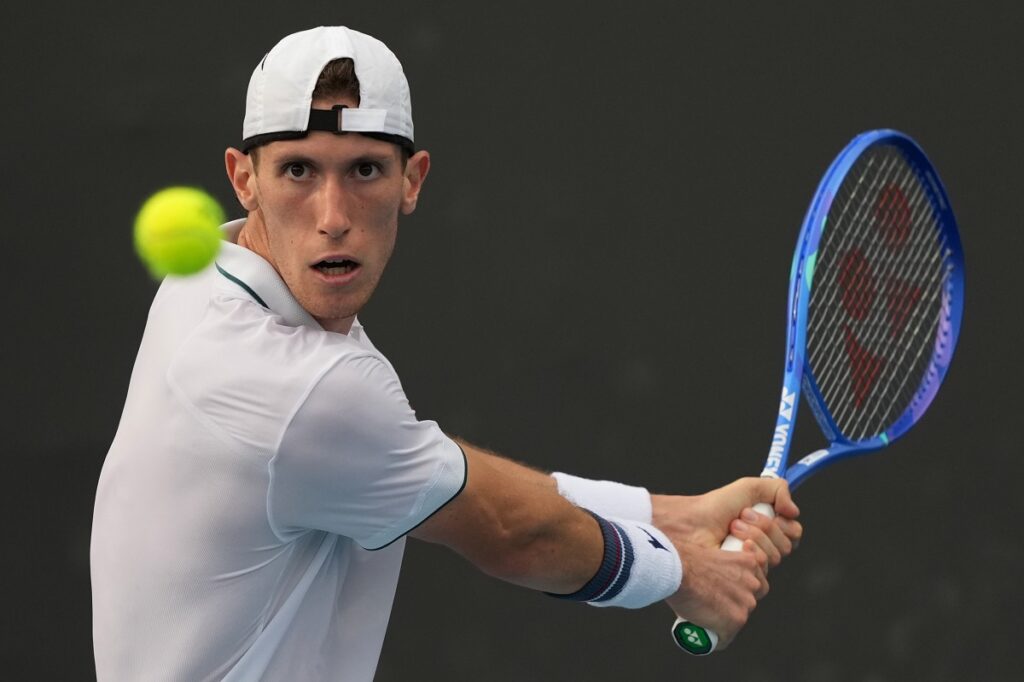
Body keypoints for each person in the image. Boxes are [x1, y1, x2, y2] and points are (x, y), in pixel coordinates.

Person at [90, 26, 802, 681]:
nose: (333, 217)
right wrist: (685, 574)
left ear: (412, 180)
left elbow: (452, 475)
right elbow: (512, 532)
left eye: (364, 170)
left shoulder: (210, 282)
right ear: (245, 178)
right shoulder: (307, 389)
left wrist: (668, 516)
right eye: (299, 170)